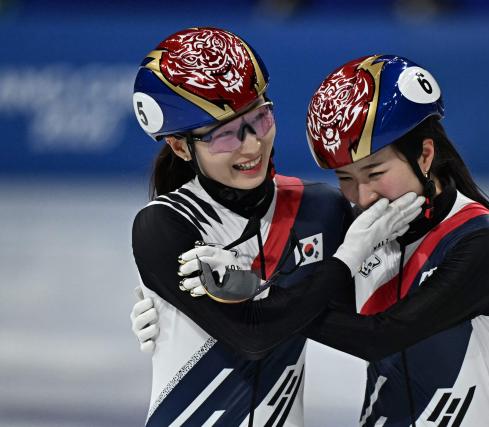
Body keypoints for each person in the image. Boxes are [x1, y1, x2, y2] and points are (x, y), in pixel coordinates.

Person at [132, 54, 489, 426]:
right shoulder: (358, 227)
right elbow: (310, 302)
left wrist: (250, 291)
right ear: (180, 146)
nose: (363, 196)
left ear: (425, 155)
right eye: (345, 178)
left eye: (375, 172)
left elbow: (379, 336)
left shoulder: (480, 241)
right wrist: (183, 311)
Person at [130, 29, 423, 427]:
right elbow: (253, 338)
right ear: (181, 147)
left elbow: (367, 326)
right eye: (225, 134)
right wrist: (345, 259)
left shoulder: (318, 208)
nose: (252, 146)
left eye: (259, 117)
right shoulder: (164, 224)